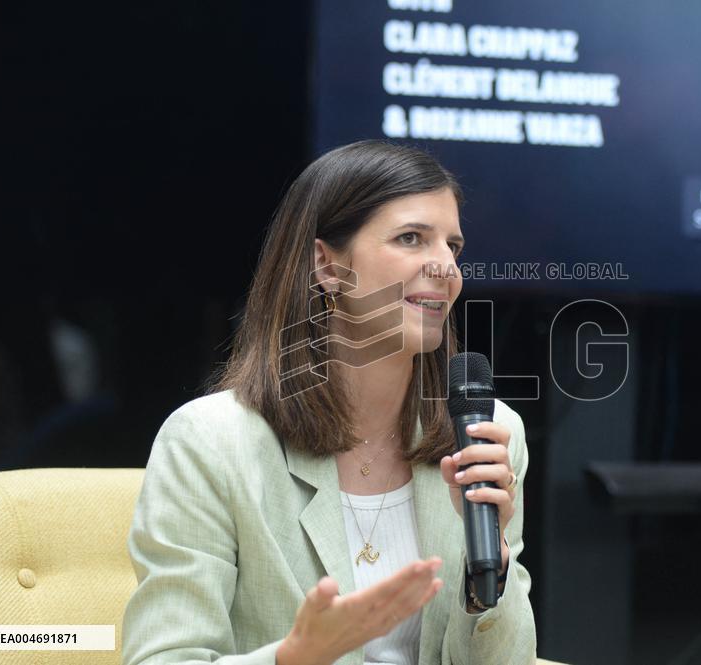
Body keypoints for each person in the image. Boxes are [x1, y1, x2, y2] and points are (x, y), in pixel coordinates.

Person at [120, 140, 537, 665]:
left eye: (452, 247)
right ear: (327, 265)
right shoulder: (210, 442)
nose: (445, 268)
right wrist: (292, 659)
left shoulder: (486, 433)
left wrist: (490, 569)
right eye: (412, 238)